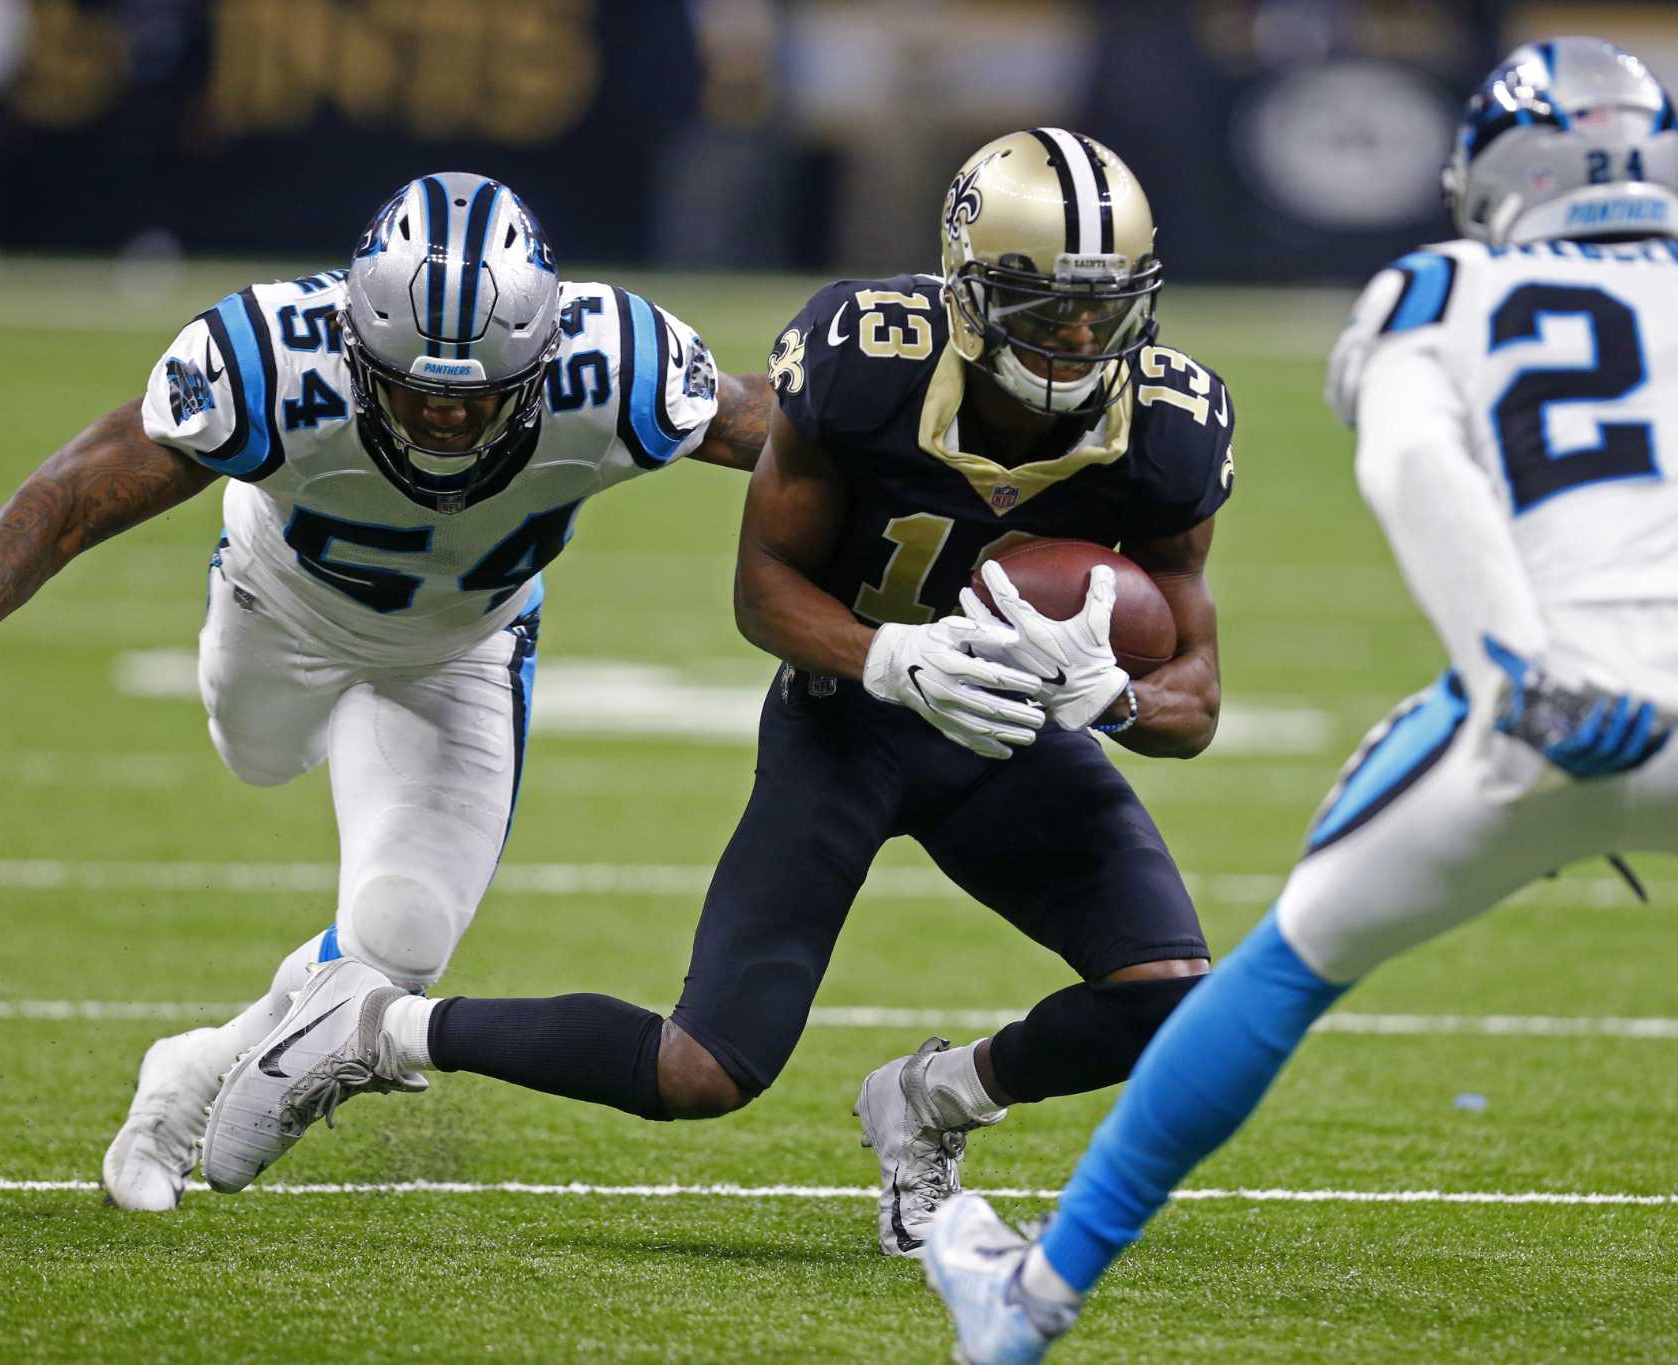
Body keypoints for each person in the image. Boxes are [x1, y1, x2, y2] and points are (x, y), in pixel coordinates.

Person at [921, 38, 1678, 1362]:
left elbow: (1411, 466)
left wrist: (1515, 672)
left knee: (1285, 964)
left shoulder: (1442, 287)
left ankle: (1028, 1303)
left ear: (1508, 173)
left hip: (1560, 701)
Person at [195, 129, 1240, 1257]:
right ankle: (377, 1029)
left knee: (1176, 997)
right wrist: (887, 658)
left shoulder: (1169, 425)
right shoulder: (867, 358)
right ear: (967, 290)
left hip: (1009, 735)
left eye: (1104, 304)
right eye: (1042, 304)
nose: (1079, 337)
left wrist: (1116, 703)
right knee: (700, 1071)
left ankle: (931, 1102)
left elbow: (1197, 695)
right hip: (847, 722)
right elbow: (762, 589)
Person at [0, 172, 771, 1212]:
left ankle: (193, 1076)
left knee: (399, 941)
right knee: (255, 756)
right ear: (353, 347)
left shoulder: (612, 364)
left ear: (540, 359)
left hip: (462, 648)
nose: (443, 416)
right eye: (413, 388)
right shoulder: (272, 355)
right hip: (278, 613)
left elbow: (787, 438)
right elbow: (74, 493)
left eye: (476, 393)